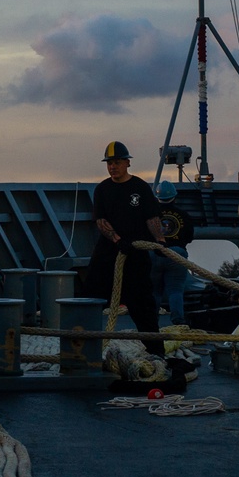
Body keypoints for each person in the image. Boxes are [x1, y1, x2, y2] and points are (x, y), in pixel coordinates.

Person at [84, 141, 166, 356]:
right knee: (89, 298)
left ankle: (157, 353)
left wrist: (159, 241)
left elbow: (151, 216)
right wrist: (118, 240)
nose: (113, 167)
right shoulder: (102, 189)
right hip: (108, 254)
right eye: (109, 163)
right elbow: (101, 220)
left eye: (117, 162)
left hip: (137, 255)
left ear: (127, 163)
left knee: (143, 306)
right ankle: (84, 350)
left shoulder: (139, 187)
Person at [149, 180, 194, 325]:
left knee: (154, 291)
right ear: (174, 196)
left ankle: (151, 323)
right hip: (177, 255)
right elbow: (189, 237)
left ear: (157, 197)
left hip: (153, 253)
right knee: (175, 290)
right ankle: (178, 321)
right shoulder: (184, 215)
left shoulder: (150, 215)